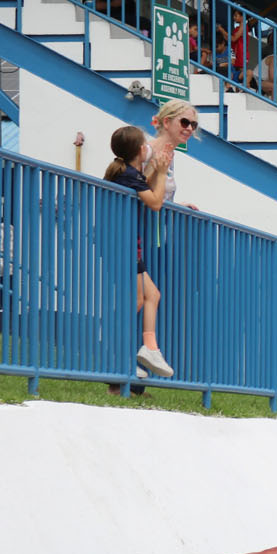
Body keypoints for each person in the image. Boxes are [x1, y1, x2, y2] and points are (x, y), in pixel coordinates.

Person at [104, 125, 174, 384]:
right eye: (145, 145)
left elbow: (145, 184)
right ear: (138, 150)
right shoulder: (127, 175)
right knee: (140, 299)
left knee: (148, 296)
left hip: (125, 244)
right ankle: (123, 354)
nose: (148, 148)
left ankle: (145, 349)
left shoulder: (129, 173)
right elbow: (155, 202)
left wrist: (156, 168)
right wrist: (163, 171)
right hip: (123, 246)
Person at [143, 99, 200, 211]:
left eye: (193, 125)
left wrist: (176, 206)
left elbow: (161, 196)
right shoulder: (146, 151)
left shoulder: (170, 155)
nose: (189, 129)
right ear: (166, 122)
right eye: (184, 122)